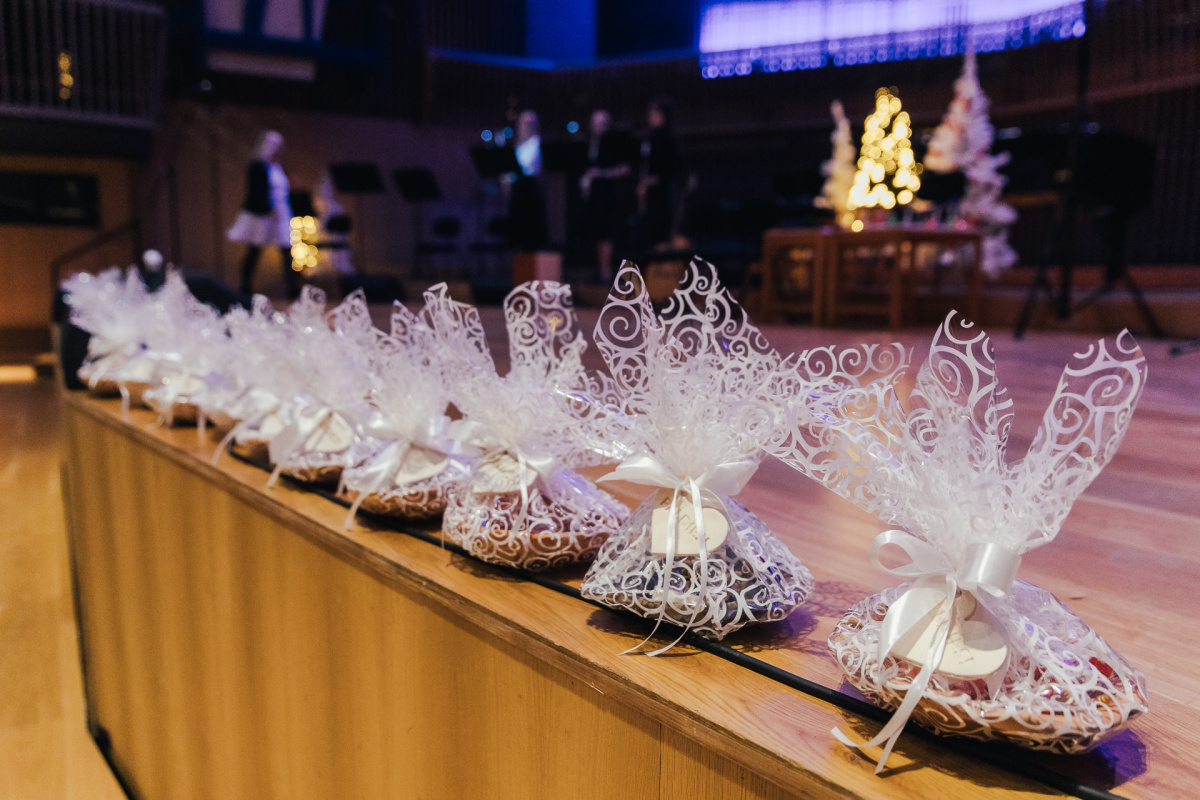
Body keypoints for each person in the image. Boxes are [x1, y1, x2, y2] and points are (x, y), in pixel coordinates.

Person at [227, 130, 299, 298]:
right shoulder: (257, 166)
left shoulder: (279, 167)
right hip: (263, 214)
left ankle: (293, 289)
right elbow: (256, 192)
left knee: (286, 251)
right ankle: (245, 288)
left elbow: (282, 192)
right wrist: (269, 208)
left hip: (281, 213)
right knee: (254, 250)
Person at [581, 110, 630, 282]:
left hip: (609, 194)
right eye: (595, 123)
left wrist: (601, 174)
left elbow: (625, 168)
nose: (598, 127)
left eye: (602, 123)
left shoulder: (614, 143)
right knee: (597, 232)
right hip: (594, 195)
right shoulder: (589, 142)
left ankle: (607, 271)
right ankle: (599, 269)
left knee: (608, 232)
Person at [637, 100, 681, 248]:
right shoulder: (651, 137)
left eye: (655, 115)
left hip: (663, 194)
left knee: (660, 230)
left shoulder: (667, 139)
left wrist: (652, 180)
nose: (651, 118)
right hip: (649, 196)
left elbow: (670, 168)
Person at [508, 110, 548, 252]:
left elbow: (526, 164)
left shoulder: (536, 143)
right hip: (518, 189)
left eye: (529, 123)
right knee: (518, 230)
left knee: (530, 228)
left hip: (530, 190)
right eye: (524, 123)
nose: (526, 126)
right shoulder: (518, 144)